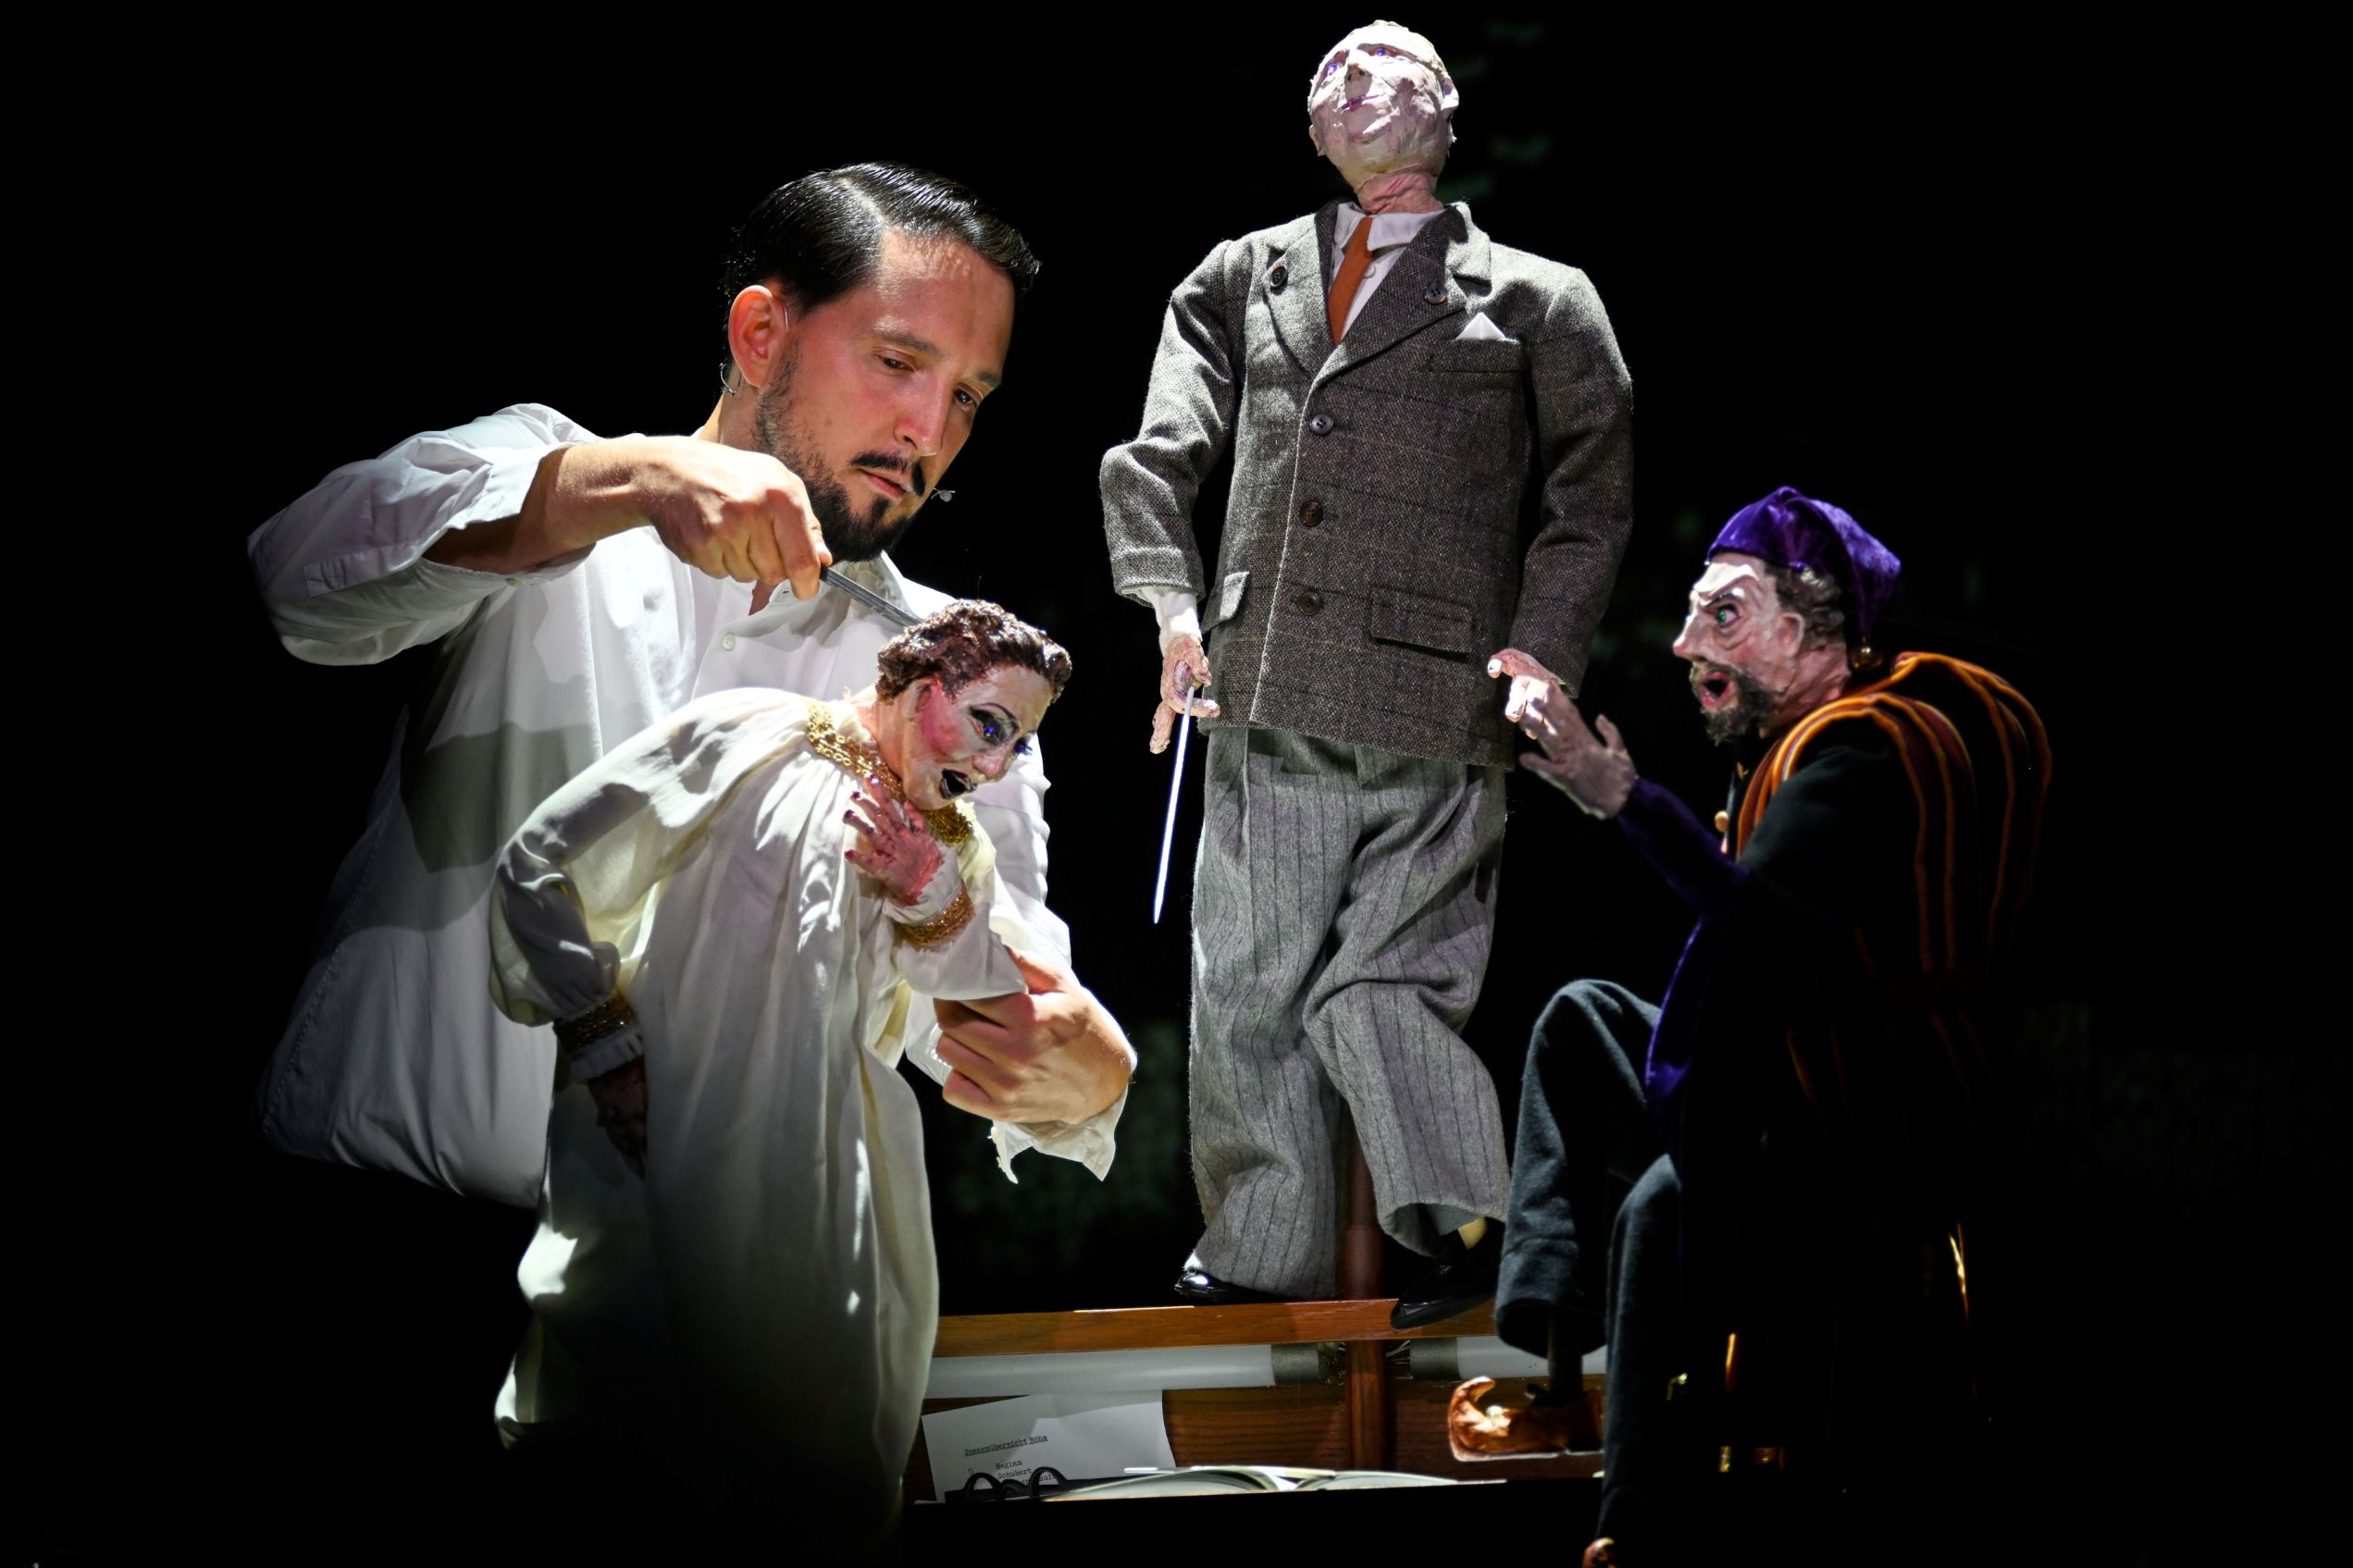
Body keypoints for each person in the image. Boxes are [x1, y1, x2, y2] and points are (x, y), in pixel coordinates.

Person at [247, 164, 1133, 1209]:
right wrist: (628, 483)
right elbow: (298, 584)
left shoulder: (959, 682)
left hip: (692, 1285)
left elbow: (986, 981)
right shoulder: (554, 485)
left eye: (969, 398)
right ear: (760, 336)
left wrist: (1080, 1077)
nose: (930, 434)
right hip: (368, 1208)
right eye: (899, 362)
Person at [1098, 21, 1632, 1322]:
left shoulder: (1535, 296)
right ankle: (1257, 1252)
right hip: (1265, 677)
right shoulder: (1243, 272)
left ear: (1444, 112)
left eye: (1390, 61)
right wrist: (1168, 605)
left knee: (1393, 979)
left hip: (1435, 694)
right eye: (1333, 71)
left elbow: (1590, 496)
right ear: (1311, 129)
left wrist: (1542, 650)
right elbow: (1156, 453)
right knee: (1248, 984)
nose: (1357, 78)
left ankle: (1462, 1221)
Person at [1450, 488, 2049, 1566]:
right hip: (1778, 1069)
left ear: (1816, 634)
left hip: (1860, 1105)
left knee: (1658, 1201)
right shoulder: (1798, 736)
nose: (1685, 646)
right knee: (1580, 1020)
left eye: (1722, 615)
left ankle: (1636, 1514)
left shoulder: (1862, 754)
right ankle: (1558, 1366)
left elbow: (1755, 925)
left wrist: (1617, 793)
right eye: (1691, 615)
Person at [489, 599, 1069, 1558]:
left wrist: (928, 892)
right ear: (924, 689)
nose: (997, 765)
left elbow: (975, 994)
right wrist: (604, 1042)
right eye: (988, 726)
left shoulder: (948, 841)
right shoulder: (749, 735)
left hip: (820, 1160)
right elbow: (540, 863)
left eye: (1017, 744)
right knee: (632, 1404)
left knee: (807, 1425)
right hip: (667, 1124)